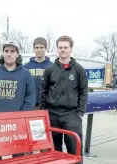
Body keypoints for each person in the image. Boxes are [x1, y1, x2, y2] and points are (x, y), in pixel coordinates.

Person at [39, 35, 88, 164]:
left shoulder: (79, 70)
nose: (62, 50)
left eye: (65, 47)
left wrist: (80, 114)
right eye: (60, 47)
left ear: (71, 49)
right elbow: (43, 91)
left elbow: (84, 92)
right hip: (52, 115)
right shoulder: (50, 69)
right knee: (54, 151)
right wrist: (44, 112)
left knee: (75, 150)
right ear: (57, 49)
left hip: (71, 115)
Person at [0, 41, 36, 161]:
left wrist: (21, 116)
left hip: (18, 124)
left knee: (18, 157)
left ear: (17, 54)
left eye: (12, 51)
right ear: (2, 53)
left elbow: (30, 97)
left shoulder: (26, 74)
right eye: (6, 51)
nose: (9, 54)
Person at [24, 37, 52, 109]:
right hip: (31, 105)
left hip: (47, 105)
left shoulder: (52, 66)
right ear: (34, 49)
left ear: (45, 48)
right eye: (37, 47)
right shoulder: (26, 67)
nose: (39, 50)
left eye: (41, 47)